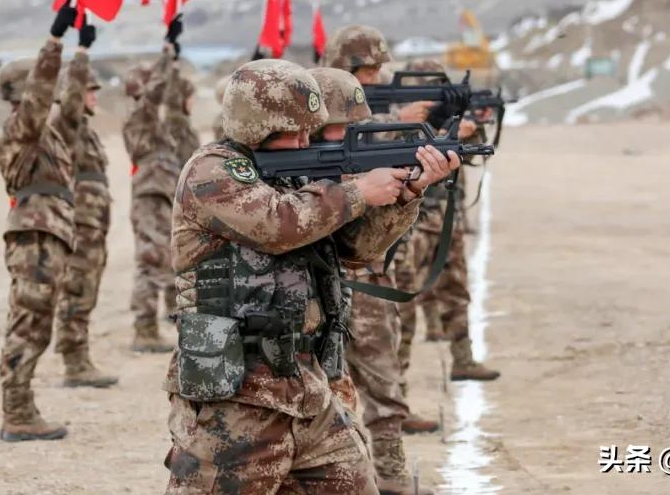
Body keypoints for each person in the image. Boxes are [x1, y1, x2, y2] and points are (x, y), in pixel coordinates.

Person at [163, 59, 457, 495]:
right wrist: (359, 191)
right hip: (235, 396)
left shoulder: (293, 175)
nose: (305, 141)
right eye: (295, 131)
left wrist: (407, 194)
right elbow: (277, 225)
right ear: (256, 125)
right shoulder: (212, 173)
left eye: (310, 131)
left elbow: (355, 252)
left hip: (306, 384)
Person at [324, 25, 441, 493]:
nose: (372, 79)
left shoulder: (372, 122)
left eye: (376, 70)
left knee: (381, 366)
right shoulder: (312, 126)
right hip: (316, 270)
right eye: (364, 71)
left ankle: (390, 473)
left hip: (362, 265)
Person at [0, 2, 94, 441]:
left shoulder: (49, 133)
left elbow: (71, 107)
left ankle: (23, 405)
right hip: (34, 234)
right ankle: (15, 411)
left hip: (52, 233)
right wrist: (53, 42)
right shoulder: (20, 127)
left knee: (39, 322)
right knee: (28, 320)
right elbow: (40, 98)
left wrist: (81, 54)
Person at [395, 60, 501, 386]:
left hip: (444, 217)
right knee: (403, 306)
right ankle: (394, 388)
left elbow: (468, 155)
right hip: (411, 221)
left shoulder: (443, 114)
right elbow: (404, 154)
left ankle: (463, 359)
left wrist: (467, 129)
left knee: (455, 290)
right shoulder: (395, 120)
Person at [53, 68, 118, 387]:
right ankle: (74, 362)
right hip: (79, 223)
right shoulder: (65, 126)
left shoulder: (86, 130)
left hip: (93, 224)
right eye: (87, 90)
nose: (94, 96)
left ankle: (81, 356)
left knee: (87, 287)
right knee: (77, 288)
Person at [121, 48, 181, 352]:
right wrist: (166, 57)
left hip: (159, 192)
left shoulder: (148, 119)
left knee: (162, 255)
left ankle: (156, 322)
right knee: (149, 259)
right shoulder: (140, 114)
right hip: (150, 195)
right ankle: (143, 330)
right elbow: (156, 92)